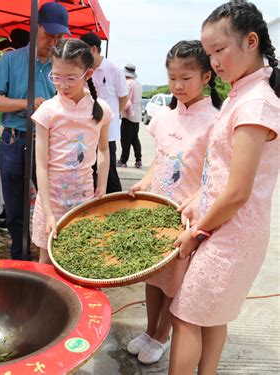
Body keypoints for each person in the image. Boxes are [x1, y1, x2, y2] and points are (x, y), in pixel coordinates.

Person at [169, 2, 279, 373]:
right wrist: (197, 198)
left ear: (251, 42)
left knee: (185, 317)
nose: (213, 61)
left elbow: (237, 192)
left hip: (229, 235)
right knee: (212, 315)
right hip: (225, 227)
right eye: (210, 52)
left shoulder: (256, 103)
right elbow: (224, 171)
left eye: (220, 50)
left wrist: (196, 233)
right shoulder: (241, 93)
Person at [127, 40, 222, 365]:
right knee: (152, 278)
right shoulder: (166, 117)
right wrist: (145, 180)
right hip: (156, 210)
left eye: (186, 78)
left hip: (186, 218)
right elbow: (164, 159)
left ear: (206, 77)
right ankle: (149, 328)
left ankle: (162, 336)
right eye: (172, 78)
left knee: (175, 284)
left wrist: (195, 208)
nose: (178, 85)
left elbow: (214, 176)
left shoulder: (214, 121)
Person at [0, 2, 70, 260]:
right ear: (36, 27)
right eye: (48, 35)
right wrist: (28, 104)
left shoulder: (62, 65)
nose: (53, 42)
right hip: (14, 141)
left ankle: (53, 255)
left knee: (52, 201)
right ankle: (20, 257)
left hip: (49, 143)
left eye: (58, 37)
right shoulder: (11, 60)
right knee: (15, 207)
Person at [31, 38, 112, 263]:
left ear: (88, 74)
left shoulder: (100, 110)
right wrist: (47, 212)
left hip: (83, 197)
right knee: (47, 262)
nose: (63, 85)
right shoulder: (48, 111)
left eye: (70, 78)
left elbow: (104, 150)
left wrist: (102, 184)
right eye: (56, 77)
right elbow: (41, 164)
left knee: (80, 260)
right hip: (51, 200)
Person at [80, 32, 128, 193]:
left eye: (83, 50)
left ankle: (118, 208)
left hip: (108, 133)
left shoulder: (113, 69)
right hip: (87, 131)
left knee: (109, 174)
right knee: (90, 171)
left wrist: (112, 117)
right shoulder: (83, 70)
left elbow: (123, 97)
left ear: (93, 49)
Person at [119, 64, 143, 168]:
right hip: (136, 116)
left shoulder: (127, 83)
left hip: (128, 116)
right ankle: (138, 160)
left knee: (125, 140)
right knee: (134, 139)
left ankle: (123, 161)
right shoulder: (138, 84)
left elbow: (125, 98)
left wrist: (119, 109)